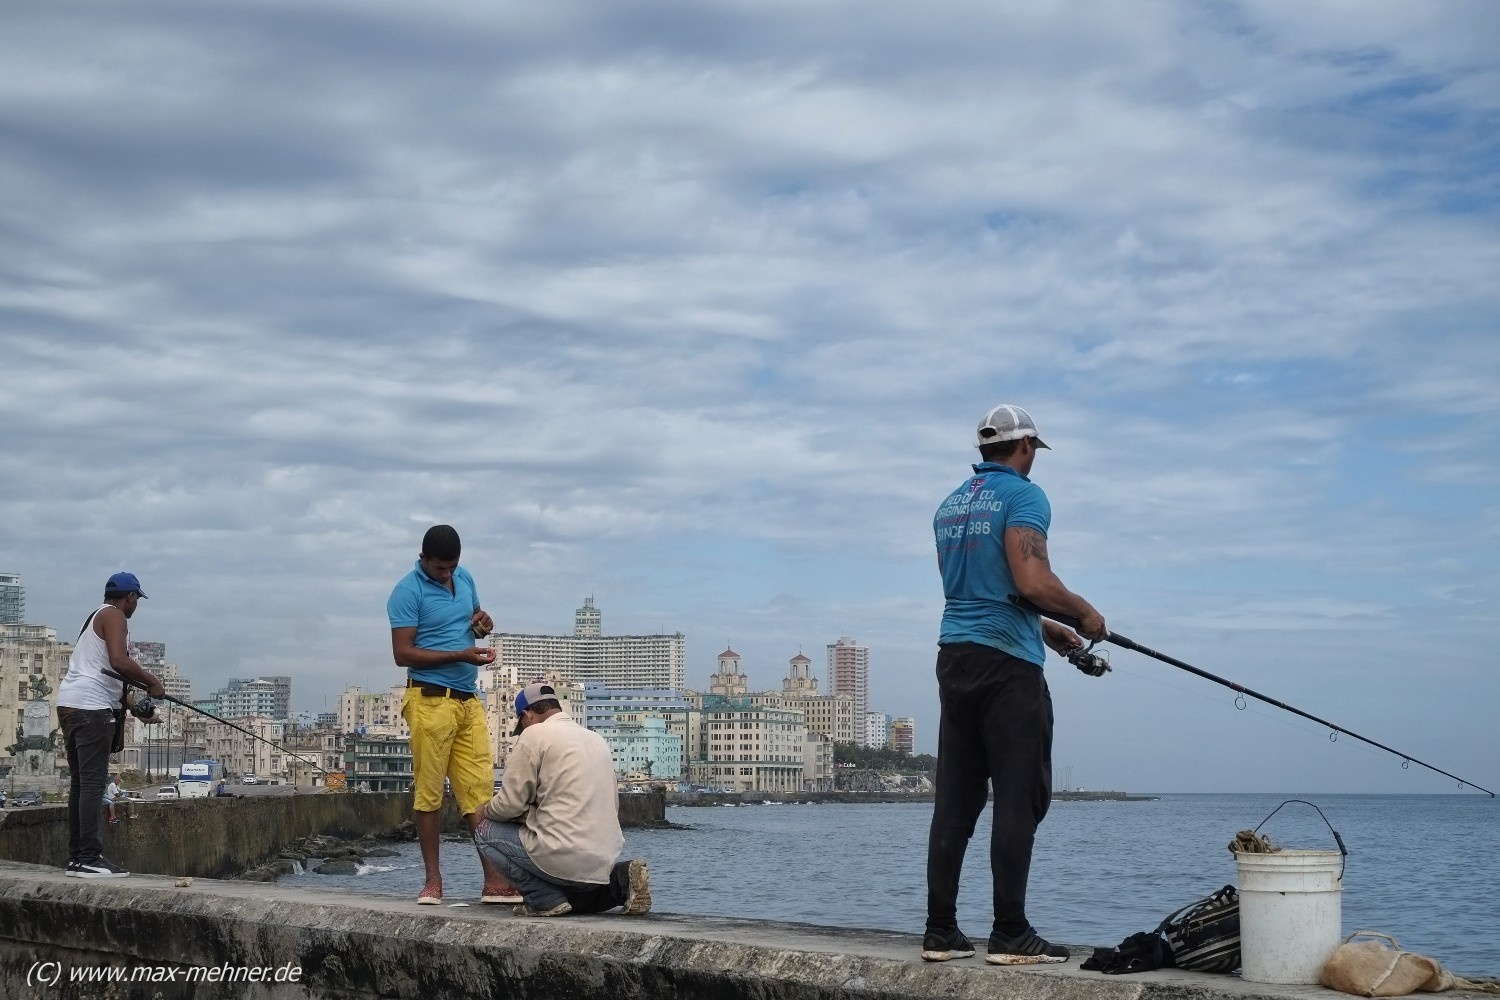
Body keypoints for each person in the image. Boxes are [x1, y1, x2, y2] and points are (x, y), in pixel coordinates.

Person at [924, 405, 1108, 966]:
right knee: (1019, 797)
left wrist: (1048, 630)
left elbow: (987, 592)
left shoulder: (950, 505)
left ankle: (941, 932)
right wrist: (1084, 615)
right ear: (1025, 447)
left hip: (956, 659)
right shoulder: (1025, 496)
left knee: (955, 801)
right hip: (1007, 670)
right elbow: (1031, 579)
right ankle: (1010, 934)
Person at [387, 524, 520, 906]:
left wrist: (481, 625)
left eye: (452, 567)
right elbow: (403, 654)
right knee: (429, 793)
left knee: (478, 793)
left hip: (467, 700)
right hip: (429, 699)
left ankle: (493, 880)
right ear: (423, 558)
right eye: (440, 568)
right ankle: (433, 882)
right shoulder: (406, 592)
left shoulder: (465, 577)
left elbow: (472, 623)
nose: (447, 574)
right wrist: (458, 655)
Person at [473, 683, 651, 917]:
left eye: (522, 723)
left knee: (483, 830)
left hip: (561, 859)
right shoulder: (595, 739)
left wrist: (484, 809)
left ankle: (543, 898)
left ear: (527, 715)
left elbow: (509, 804)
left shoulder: (533, 735)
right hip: (602, 860)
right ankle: (618, 881)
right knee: (576, 895)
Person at [56, 572, 166, 878]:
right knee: (92, 784)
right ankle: (90, 857)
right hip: (92, 709)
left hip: (70, 704)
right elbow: (119, 661)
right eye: (136, 600)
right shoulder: (115, 616)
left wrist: (138, 708)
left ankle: (78, 859)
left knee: (80, 784)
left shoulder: (94, 617)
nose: (135, 606)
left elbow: (108, 674)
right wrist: (153, 683)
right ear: (130, 597)